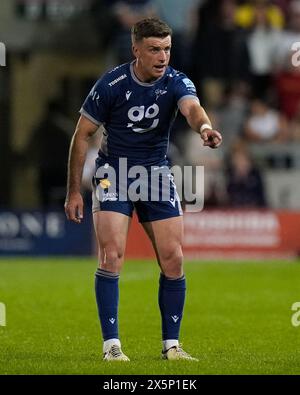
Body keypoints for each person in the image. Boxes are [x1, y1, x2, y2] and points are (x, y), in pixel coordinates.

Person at [64, 18, 222, 362]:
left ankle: (172, 347)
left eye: (167, 48)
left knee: (174, 258)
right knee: (112, 255)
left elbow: (192, 109)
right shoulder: (112, 83)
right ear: (136, 49)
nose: (162, 56)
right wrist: (74, 191)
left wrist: (205, 126)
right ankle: (112, 347)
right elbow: (82, 134)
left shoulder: (177, 81)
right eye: (154, 49)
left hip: (155, 174)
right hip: (113, 172)